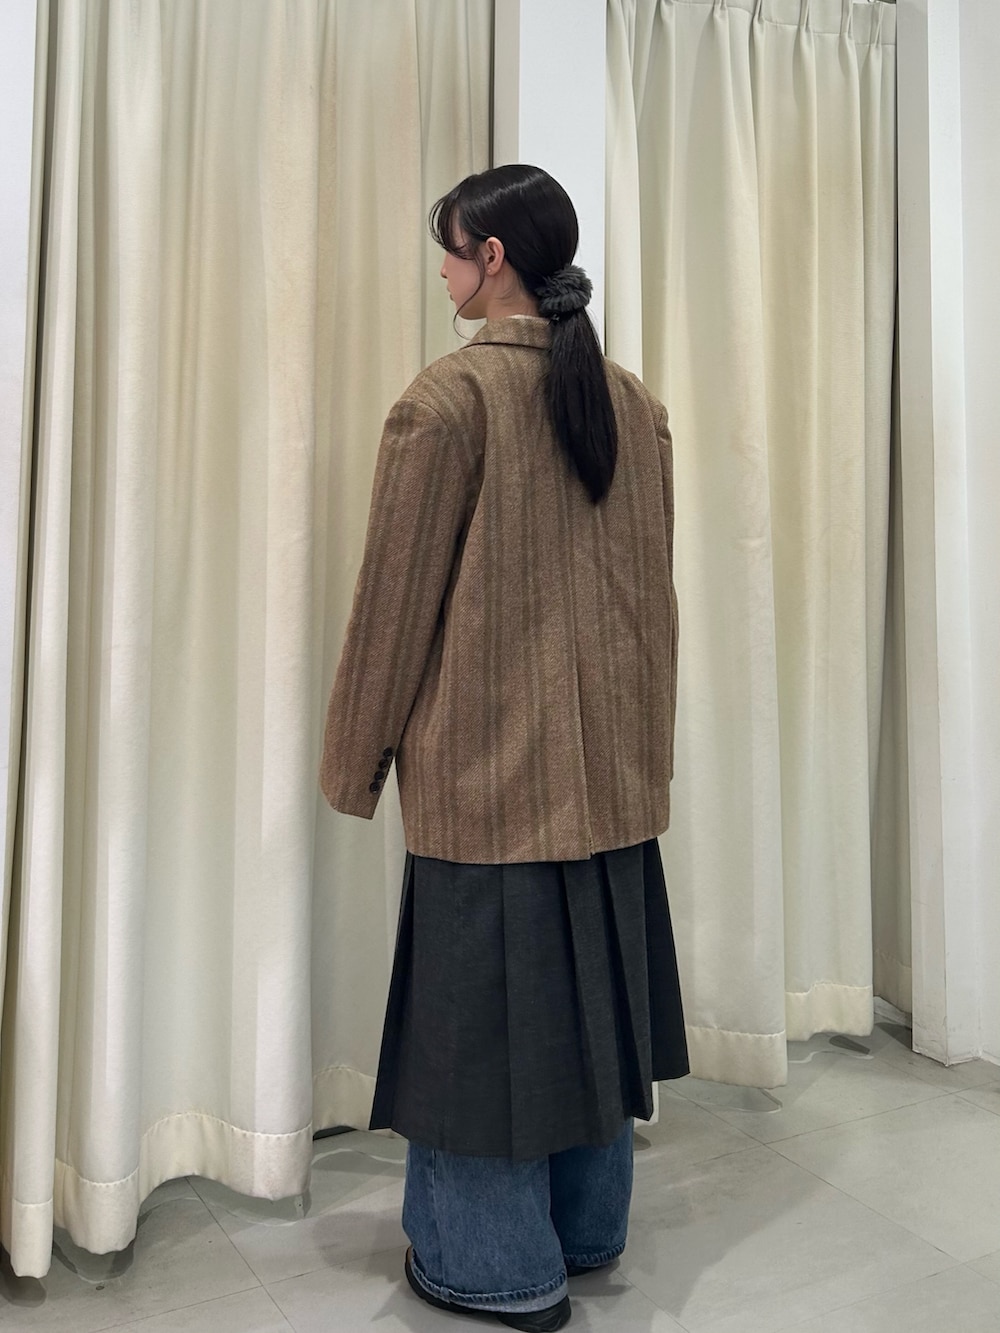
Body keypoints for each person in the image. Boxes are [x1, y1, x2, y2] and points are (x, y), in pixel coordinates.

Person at [320, 163, 688, 1332]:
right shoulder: (632, 402)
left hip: (487, 782)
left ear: (492, 258)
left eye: (450, 248)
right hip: (609, 781)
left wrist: (352, 764)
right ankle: (584, 1233)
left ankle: (492, 1265)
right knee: (590, 1013)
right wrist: (643, 756)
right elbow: (655, 601)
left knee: (479, 1032)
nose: (439, 271)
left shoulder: (447, 402)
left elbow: (392, 610)